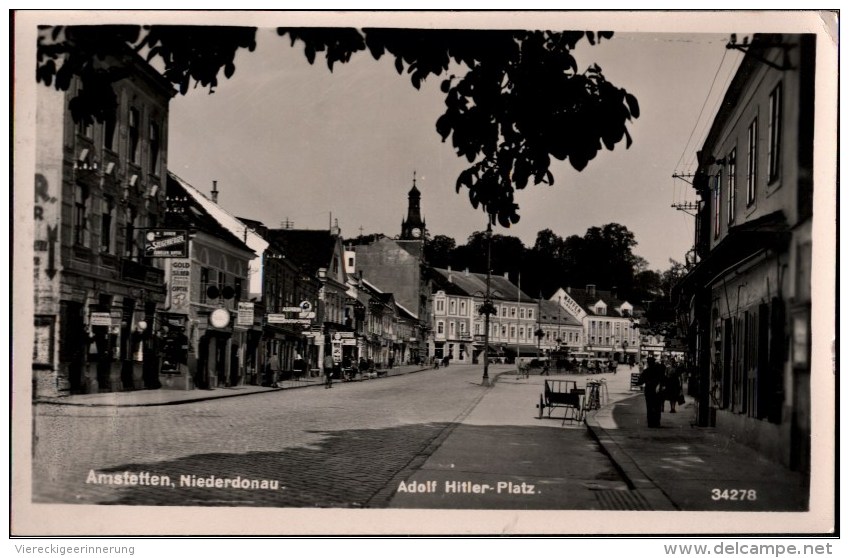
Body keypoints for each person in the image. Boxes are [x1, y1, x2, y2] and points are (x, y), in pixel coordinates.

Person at [637, 357, 665, 428]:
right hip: (657, 391)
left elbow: (640, 381)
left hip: (649, 391)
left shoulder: (646, 371)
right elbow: (663, 380)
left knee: (649, 407)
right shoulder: (658, 371)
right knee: (657, 407)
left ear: (648, 363)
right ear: (654, 362)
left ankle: (650, 423)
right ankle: (657, 422)